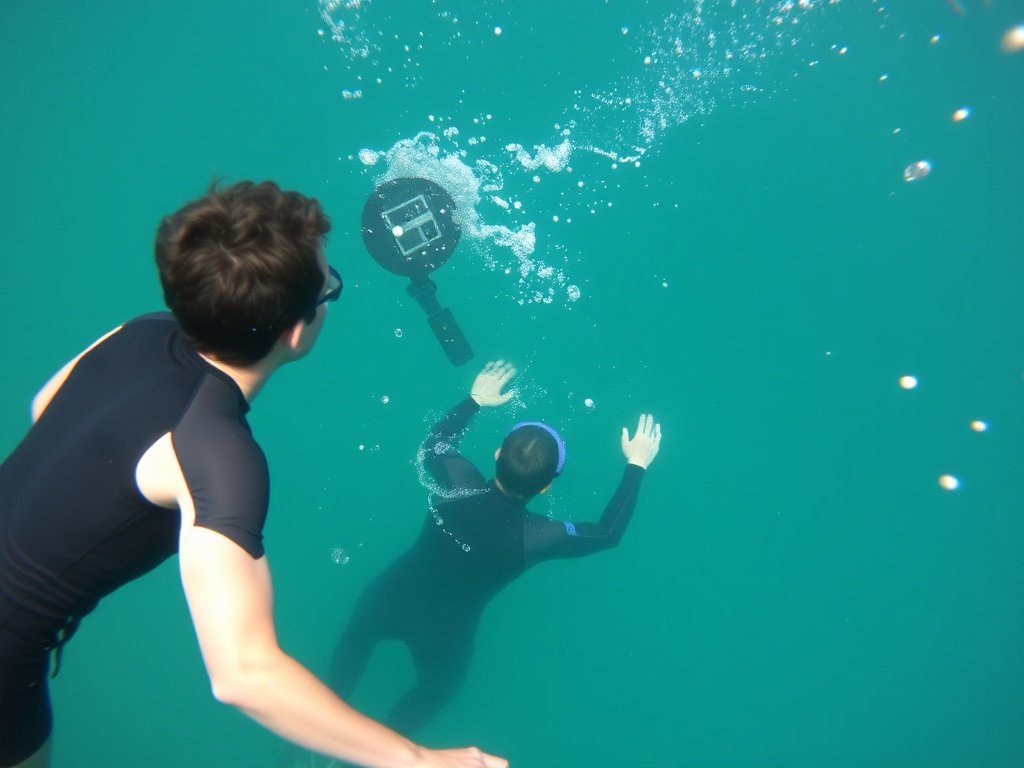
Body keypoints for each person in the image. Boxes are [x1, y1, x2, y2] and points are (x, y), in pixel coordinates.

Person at [0, 181, 507, 768]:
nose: (333, 289)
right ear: (297, 330)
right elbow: (242, 674)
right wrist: (419, 759)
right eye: (330, 288)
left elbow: (45, 406)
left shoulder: (139, 330)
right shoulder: (218, 455)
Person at [326, 360, 661, 735]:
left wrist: (475, 400)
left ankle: (303, 743)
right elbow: (607, 532)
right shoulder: (538, 536)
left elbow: (433, 445)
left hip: (390, 595)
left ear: (498, 456)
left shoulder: (457, 481)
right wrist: (637, 464)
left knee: (357, 636)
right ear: (547, 486)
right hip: (445, 634)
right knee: (433, 692)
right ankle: (364, 759)